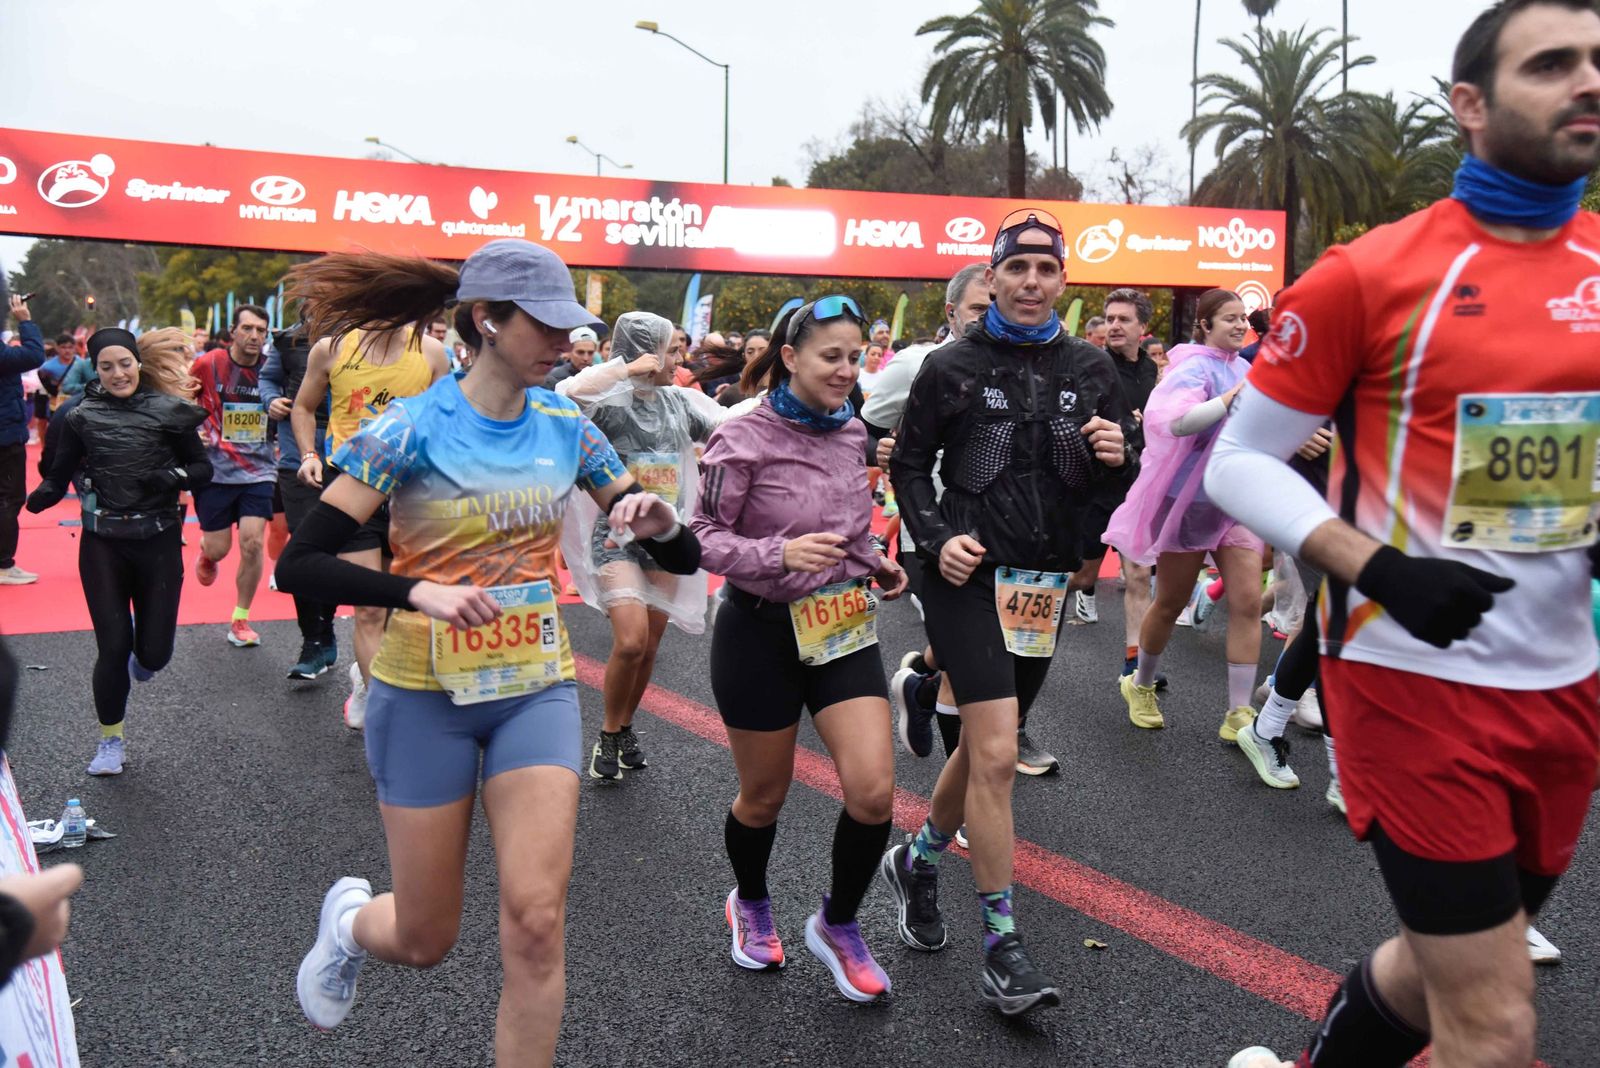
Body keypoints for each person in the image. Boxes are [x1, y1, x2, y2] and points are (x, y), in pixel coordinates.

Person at [1213, 4, 1600, 1066]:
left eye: (1597, 61)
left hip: (1565, 675)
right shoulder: (1369, 274)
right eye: (1553, 63)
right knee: (1496, 1021)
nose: (1588, 81)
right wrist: (1374, 565)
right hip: (1408, 673)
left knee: (1449, 965)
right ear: (1467, 106)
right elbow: (1238, 459)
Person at [277, 239, 700, 1064]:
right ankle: (350, 923)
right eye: (548, 326)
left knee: (538, 921)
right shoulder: (406, 429)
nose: (567, 343)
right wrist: (415, 591)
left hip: (531, 688)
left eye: (573, 328)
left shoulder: (566, 426)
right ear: (488, 321)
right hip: (421, 693)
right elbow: (303, 562)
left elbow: (678, 555)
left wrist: (662, 524)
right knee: (425, 935)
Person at [884, 210, 1130, 1015]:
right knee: (994, 754)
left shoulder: (1093, 368)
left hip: (1043, 582)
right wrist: (936, 537)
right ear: (991, 278)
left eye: (1045, 270)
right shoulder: (950, 365)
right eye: (1015, 268)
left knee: (988, 749)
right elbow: (911, 466)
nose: (1030, 282)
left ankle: (918, 860)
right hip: (964, 575)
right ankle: (1003, 945)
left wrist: (1114, 463)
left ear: (1063, 281)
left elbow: (1100, 491)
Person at [691, 294, 907, 1003]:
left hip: (840, 626)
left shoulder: (852, 433)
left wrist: (875, 559)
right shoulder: (741, 436)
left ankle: (838, 924)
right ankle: (749, 901)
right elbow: (699, 538)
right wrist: (777, 553)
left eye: (855, 357)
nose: (847, 370)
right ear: (789, 358)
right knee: (763, 797)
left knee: (875, 793)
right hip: (758, 630)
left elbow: (847, 530)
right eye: (831, 357)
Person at [1109, 289, 1296, 746]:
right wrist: (1231, 398)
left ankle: (1238, 712)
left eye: (1241, 319)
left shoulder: (1248, 369)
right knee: (1170, 602)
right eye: (1227, 319)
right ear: (1206, 325)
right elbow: (1172, 423)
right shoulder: (1190, 366)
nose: (1238, 326)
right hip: (1188, 500)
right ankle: (1142, 684)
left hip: (1236, 500)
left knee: (1249, 601)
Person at [24, 328, 211, 776]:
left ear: (138, 364)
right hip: (103, 542)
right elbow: (60, 470)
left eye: (124, 363)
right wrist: (44, 495)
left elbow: (202, 468)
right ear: (96, 369)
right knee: (111, 648)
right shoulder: (79, 415)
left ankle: (143, 658)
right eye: (106, 366)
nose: (117, 373)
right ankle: (111, 741)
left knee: (154, 654)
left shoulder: (169, 412)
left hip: (160, 540)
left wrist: (173, 477)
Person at [555, 310, 725, 778]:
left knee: (649, 648)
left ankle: (625, 725)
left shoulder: (680, 403)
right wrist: (625, 370)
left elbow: (731, 423)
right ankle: (609, 733)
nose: (680, 357)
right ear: (646, 352)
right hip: (615, 537)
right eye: (672, 349)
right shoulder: (606, 401)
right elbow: (566, 396)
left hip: (665, 540)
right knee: (629, 641)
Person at [865, 264, 1000, 775]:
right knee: (972, 662)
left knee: (985, 652)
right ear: (951, 313)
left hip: (1004, 536)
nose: (991, 318)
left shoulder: (1032, 368)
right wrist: (875, 448)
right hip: (935, 533)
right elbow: (860, 428)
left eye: (997, 306)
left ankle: (920, 682)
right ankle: (966, 795)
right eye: (978, 309)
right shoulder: (918, 364)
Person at [292, 316, 449, 728]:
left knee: (405, 605)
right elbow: (305, 407)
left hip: (411, 494)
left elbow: (446, 424)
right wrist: (309, 454)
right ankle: (379, 704)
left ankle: (372, 675)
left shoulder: (431, 352)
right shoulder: (332, 348)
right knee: (368, 610)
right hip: (353, 488)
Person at [1068, 290, 1160, 684]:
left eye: (1123, 319)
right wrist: (1127, 426)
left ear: (1143, 327)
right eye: (1110, 318)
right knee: (1079, 576)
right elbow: (1076, 422)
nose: (1114, 326)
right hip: (1094, 488)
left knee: (1138, 573)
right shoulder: (1092, 365)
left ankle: (1135, 665)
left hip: (1135, 485)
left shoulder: (1151, 371)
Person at [189, 305, 279, 648]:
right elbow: (185, 396)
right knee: (220, 546)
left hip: (259, 469)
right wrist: (190, 430)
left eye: (261, 330)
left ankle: (241, 618)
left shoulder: (272, 368)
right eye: (248, 329)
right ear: (234, 331)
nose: (255, 336)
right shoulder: (209, 363)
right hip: (214, 469)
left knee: (253, 542)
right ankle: (208, 554)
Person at [261, 316, 338, 681]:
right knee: (305, 545)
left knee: (336, 549)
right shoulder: (287, 340)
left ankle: (326, 627)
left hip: (347, 452)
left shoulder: (361, 336)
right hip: (296, 453)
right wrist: (271, 400)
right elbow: (268, 379)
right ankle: (313, 641)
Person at [0, 295, 44, 586]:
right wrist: (25, 320)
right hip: (5, 437)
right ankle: (4, 563)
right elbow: (33, 356)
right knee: (9, 498)